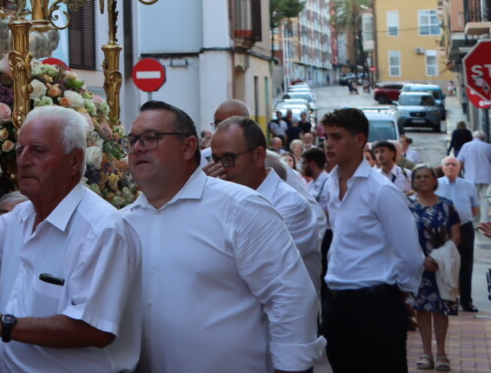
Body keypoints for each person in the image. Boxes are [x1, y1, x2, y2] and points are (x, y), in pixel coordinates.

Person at [121, 101, 323, 373]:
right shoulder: (123, 222)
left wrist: (291, 368)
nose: (138, 147)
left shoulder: (241, 207)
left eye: (151, 138)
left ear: (189, 146)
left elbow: (290, 298)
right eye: (132, 140)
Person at [0, 105, 141, 372]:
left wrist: (1, 323)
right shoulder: (23, 215)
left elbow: (94, 329)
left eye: (38, 150)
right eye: (20, 150)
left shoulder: (102, 228)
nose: (24, 161)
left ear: (74, 161)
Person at [318, 108, 424, 373]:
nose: (328, 144)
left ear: (359, 140)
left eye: (336, 137)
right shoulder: (331, 184)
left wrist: (399, 294)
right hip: (336, 301)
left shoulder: (382, 191)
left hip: (375, 303)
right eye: (325, 137)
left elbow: (410, 254)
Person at [209, 117, 324, 295]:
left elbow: (252, 269)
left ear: (258, 156)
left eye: (228, 159)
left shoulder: (291, 206)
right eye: (215, 159)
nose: (219, 169)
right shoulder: (222, 198)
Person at [408, 165, 461, 372]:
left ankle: (441, 353)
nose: (422, 180)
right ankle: (425, 352)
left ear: (434, 180)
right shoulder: (407, 206)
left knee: (441, 309)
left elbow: (456, 236)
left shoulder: (447, 206)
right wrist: (421, 259)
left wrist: (438, 258)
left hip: (442, 265)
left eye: (426, 177)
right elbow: (402, 236)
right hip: (418, 265)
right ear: (413, 181)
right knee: (421, 309)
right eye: (418, 177)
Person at [437, 156, 480, 312]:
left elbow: (475, 208)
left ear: (459, 167)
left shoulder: (468, 185)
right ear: (442, 167)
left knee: (466, 264)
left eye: (454, 164)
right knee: (443, 263)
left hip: (464, 228)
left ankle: (466, 300)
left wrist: (463, 219)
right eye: (447, 164)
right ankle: (446, 299)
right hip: (443, 229)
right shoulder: (436, 184)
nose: (450, 167)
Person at [456, 130, 491, 218]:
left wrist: (456, 176)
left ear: (473, 137)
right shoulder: (488, 147)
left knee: (472, 201)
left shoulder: (466, 146)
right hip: (487, 177)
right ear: (483, 138)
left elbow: (459, 162)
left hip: (471, 177)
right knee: (485, 200)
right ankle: (484, 221)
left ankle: (474, 222)